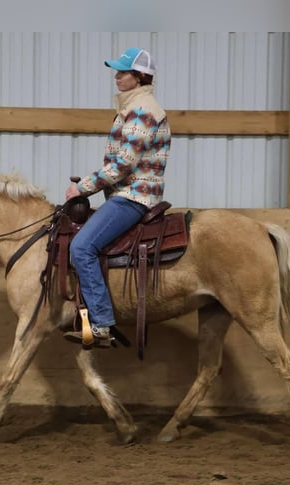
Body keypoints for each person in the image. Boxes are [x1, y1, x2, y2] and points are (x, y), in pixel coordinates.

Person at [64, 47, 171, 348]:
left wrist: (83, 187)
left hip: (133, 196)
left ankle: (100, 324)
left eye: (122, 73)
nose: (116, 77)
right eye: (117, 72)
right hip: (126, 193)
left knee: (82, 247)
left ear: (138, 77)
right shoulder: (134, 106)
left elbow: (124, 164)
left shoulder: (142, 110)